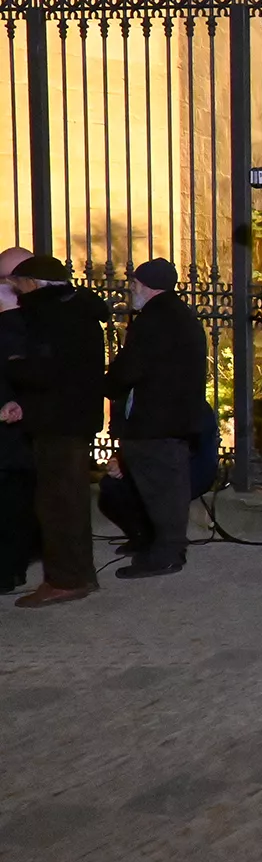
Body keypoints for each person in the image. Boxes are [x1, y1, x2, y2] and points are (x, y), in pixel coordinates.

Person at [5, 254, 108, 608]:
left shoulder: (51, 315)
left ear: (34, 284)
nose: (17, 293)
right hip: (72, 417)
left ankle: (65, 579)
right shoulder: (77, 309)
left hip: (58, 421)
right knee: (69, 499)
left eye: (19, 286)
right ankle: (77, 573)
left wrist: (16, 366)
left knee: (57, 503)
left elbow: (47, 371)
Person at [98, 258, 210, 579]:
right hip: (171, 418)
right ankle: (156, 546)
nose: (131, 289)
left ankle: (166, 555)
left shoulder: (154, 320)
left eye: (134, 284)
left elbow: (131, 366)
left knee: (162, 492)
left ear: (146, 286)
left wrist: (108, 385)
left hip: (156, 421)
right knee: (157, 488)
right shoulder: (180, 315)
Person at [100, 401, 220, 559]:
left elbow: (175, 450)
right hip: (159, 465)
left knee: (149, 486)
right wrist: (118, 460)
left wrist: (126, 465)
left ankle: (165, 546)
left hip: (187, 471)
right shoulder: (141, 401)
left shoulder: (178, 402)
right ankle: (143, 537)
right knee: (110, 488)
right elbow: (136, 442)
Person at [0, 253, 41, 594]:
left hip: (15, 428)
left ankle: (10, 568)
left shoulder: (15, 326)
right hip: (30, 425)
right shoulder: (41, 319)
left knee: (13, 498)